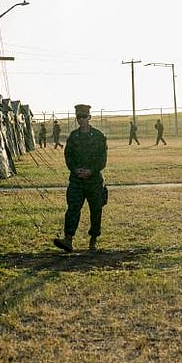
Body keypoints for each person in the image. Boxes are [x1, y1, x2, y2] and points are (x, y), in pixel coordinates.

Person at [53, 103, 107, 253]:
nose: (81, 119)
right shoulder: (73, 137)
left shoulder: (98, 137)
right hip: (77, 180)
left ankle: (93, 239)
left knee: (96, 210)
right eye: (78, 117)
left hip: (94, 180)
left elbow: (102, 160)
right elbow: (68, 156)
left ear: (89, 117)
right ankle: (68, 239)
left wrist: (91, 171)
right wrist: (75, 170)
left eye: (84, 117)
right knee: (73, 209)